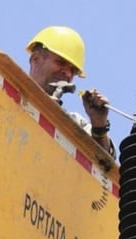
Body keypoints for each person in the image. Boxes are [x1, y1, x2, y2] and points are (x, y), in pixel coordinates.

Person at [26, 26, 115, 158]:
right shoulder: (2, 90)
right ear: (35, 59)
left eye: (72, 70)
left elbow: (103, 168)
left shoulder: (74, 124)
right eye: (60, 62)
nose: (67, 73)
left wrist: (99, 126)